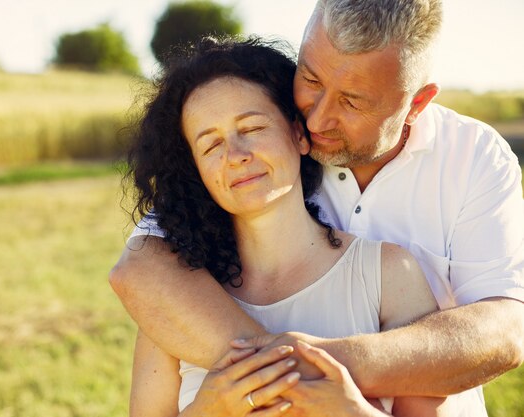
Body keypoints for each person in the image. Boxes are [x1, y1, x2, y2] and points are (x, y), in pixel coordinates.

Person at [111, 0, 524, 415]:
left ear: (416, 104)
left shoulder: (472, 161)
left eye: (352, 101)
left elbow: (503, 331)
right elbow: (140, 268)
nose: (316, 118)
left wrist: (302, 372)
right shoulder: (190, 277)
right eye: (309, 78)